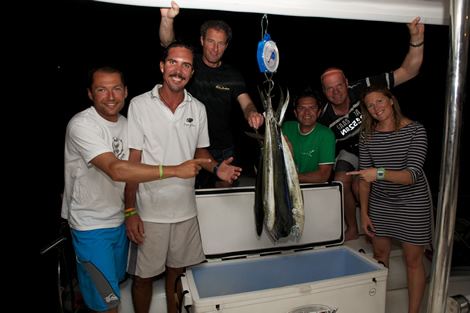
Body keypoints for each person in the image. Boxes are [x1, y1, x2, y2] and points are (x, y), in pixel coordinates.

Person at [61, 66, 210, 313]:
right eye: (101, 89)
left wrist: (131, 211)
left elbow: (139, 167)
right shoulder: (81, 125)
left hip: (119, 221)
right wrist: (174, 170)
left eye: (116, 88)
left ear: (126, 91)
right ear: (90, 94)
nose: (110, 96)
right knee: (107, 303)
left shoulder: (127, 123)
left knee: (117, 289)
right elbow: (117, 169)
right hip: (91, 226)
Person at [124, 42, 242, 313]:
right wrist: (130, 209)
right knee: (142, 278)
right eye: (173, 62)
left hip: (185, 210)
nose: (179, 70)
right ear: (162, 66)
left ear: (192, 72)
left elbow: (200, 150)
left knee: (176, 275)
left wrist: (216, 168)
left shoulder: (197, 108)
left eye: (186, 65)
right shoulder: (140, 105)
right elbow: (132, 162)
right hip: (150, 212)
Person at [319, 16, 425, 241]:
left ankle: (383, 227)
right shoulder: (324, 118)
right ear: (324, 92)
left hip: (379, 142)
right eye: (330, 89)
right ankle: (352, 228)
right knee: (342, 180)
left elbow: (409, 70)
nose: (336, 91)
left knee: (363, 187)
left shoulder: (366, 88)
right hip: (352, 152)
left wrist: (416, 38)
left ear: (347, 82)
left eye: (339, 85)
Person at [159, 0, 264, 187]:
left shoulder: (233, 74)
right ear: (202, 40)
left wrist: (252, 113)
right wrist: (167, 19)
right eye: (210, 41)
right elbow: (169, 44)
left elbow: (246, 103)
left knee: (223, 200)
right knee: (191, 195)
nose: (215, 49)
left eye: (221, 43)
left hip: (223, 148)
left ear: (227, 45)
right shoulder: (191, 64)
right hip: (190, 146)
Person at [347, 85, 431, 313]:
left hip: (413, 204)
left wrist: (380, 173)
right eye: (370, 105)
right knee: (379, 258)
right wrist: (364, 213)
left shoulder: (416, 130)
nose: (376, 108)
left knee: (413, 262)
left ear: (391, 100)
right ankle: (378, 308)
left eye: (380, 101)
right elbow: (364, 178)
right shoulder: (367, 134)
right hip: (381, 204)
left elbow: (412, 175)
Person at [282, 88, 336, 182]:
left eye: (312, 108)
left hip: (313, 187)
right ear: (295, 112)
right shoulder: (286, 128)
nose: (307, 112)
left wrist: (290, 178)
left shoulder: (326, 135)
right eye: (302, 108)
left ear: (319, 112)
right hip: (285, 186)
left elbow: (323, 175)